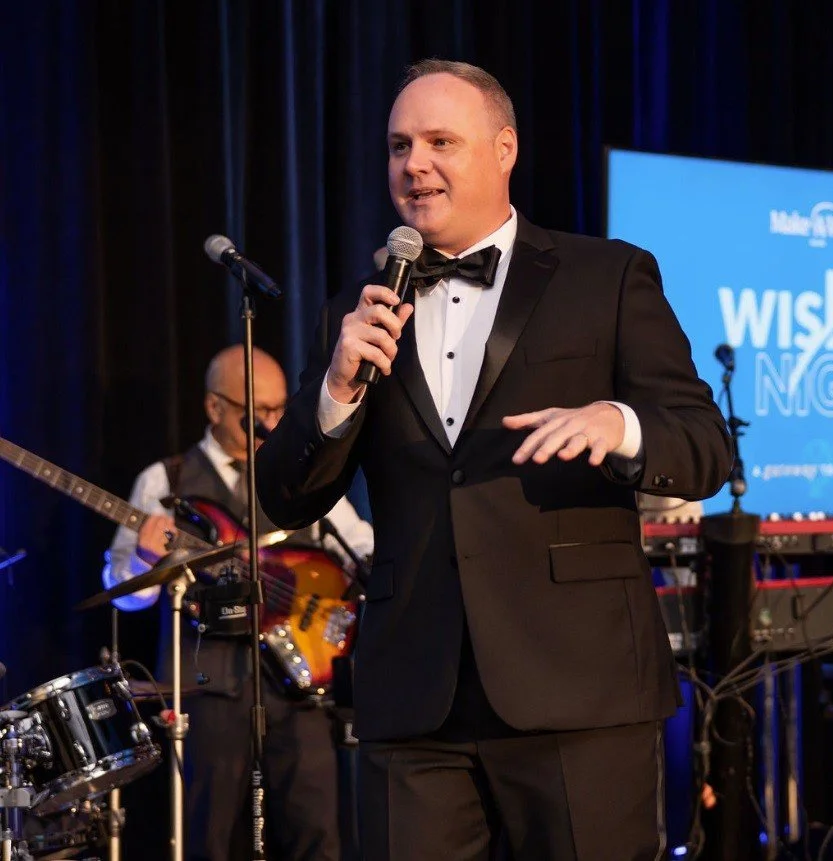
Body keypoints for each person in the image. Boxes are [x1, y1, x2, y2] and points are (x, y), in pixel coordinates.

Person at [255, 59, 732, 860]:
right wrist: (335, 392)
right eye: (399, 145)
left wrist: (618, 423)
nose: (414, 164)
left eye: (441, 141)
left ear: (504, 149)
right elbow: (284, 495)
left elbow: (704, 444)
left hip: (578, 686)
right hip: (415, 696)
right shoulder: (355, 310)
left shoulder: (606, 276)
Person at [102, 344, 374, 861]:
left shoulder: (298, 472)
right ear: (214, 407)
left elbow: (359, 546)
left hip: (299, 684)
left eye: (279, 409)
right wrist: (142, 560)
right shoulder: (165, 482)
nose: (270, 423)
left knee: (318, 837)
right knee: (208, 838)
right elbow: (127, 596)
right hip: (207, 692)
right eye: (258, 411)